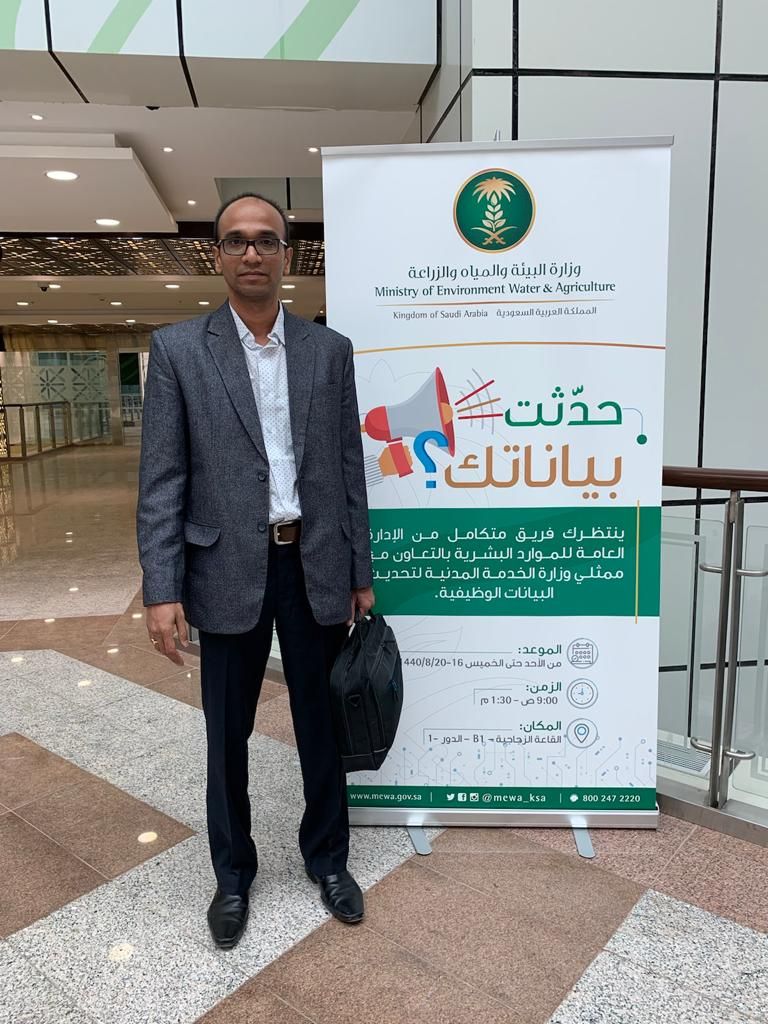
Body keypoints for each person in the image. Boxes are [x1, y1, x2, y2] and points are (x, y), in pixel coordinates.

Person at [136, 193, 375, 951]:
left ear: (285, 255)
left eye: (265, 240)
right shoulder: (179, 350)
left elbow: (348, 468)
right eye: (236, 241)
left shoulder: (328, 351)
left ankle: (328, 860)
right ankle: (233, 875)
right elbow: (163, 479)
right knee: (227, 733)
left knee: (320, 726)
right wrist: (162, 588)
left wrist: (360, 569)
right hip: (224, 569)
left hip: (314, 561)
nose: (251, 253)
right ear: (218, 256)